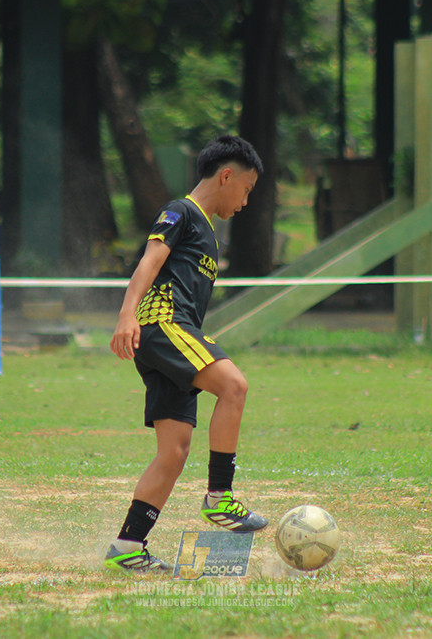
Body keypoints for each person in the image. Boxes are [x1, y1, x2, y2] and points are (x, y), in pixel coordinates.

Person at [104, 135, 267, 572]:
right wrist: (127, 314)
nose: (246, 201)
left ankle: (127, 546)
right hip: (161, 324)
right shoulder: (183, 211)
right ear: (227, 176)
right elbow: (149, 261)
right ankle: (219, 497)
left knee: (173, 452)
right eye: (247, 189)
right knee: (234, 386)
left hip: (175, 333)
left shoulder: (209, 232)